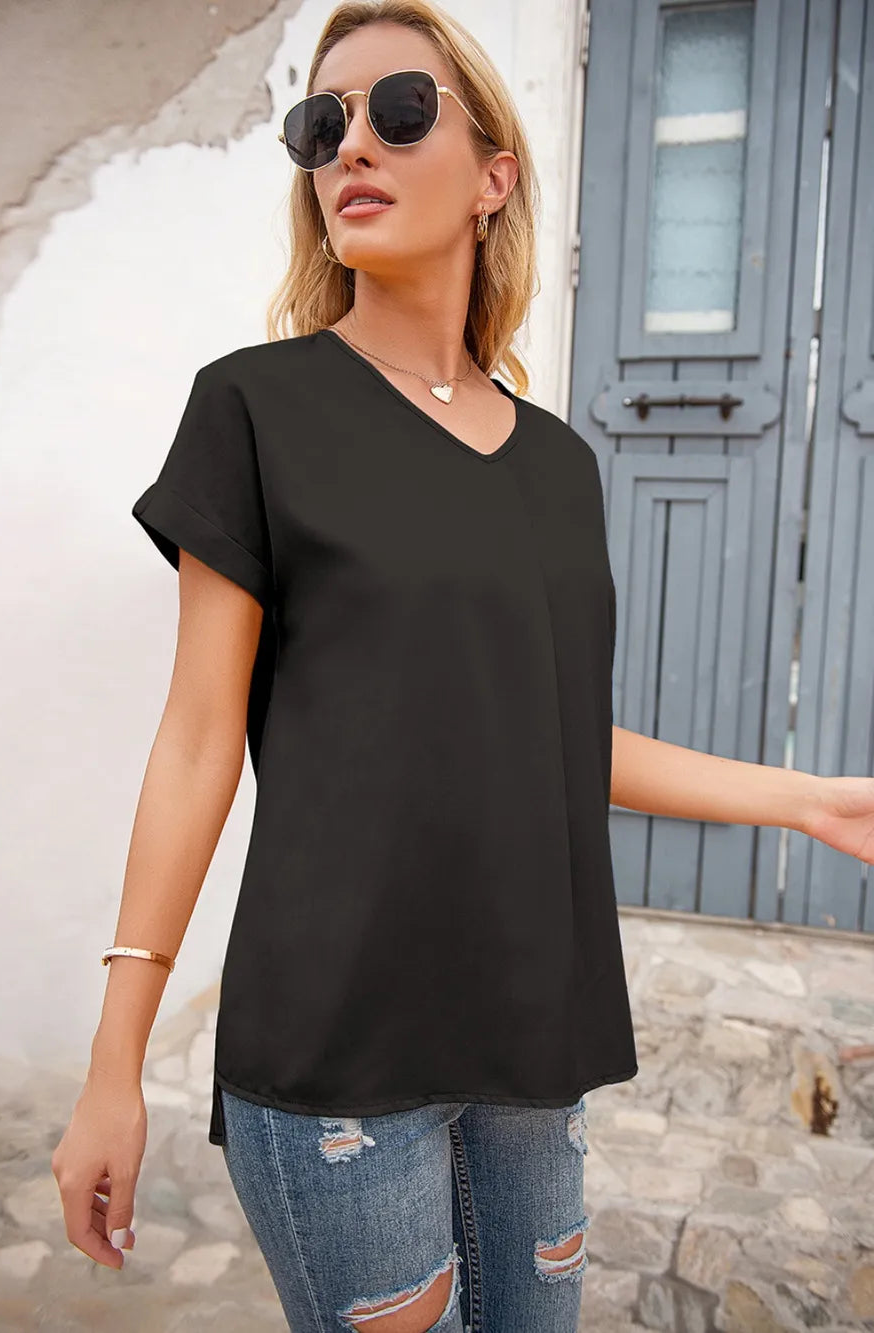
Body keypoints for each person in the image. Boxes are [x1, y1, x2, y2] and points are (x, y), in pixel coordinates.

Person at [51, 2, 874, 1328]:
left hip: (531, 1036)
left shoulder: (561, 467)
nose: (350, 148)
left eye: (399, 110)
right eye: (320, 125)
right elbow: (199, 738)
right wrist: (115, 1063)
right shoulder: (255, 408)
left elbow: (549, 737)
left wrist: (809, 800)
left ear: (496, 175)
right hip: (337, 1052)